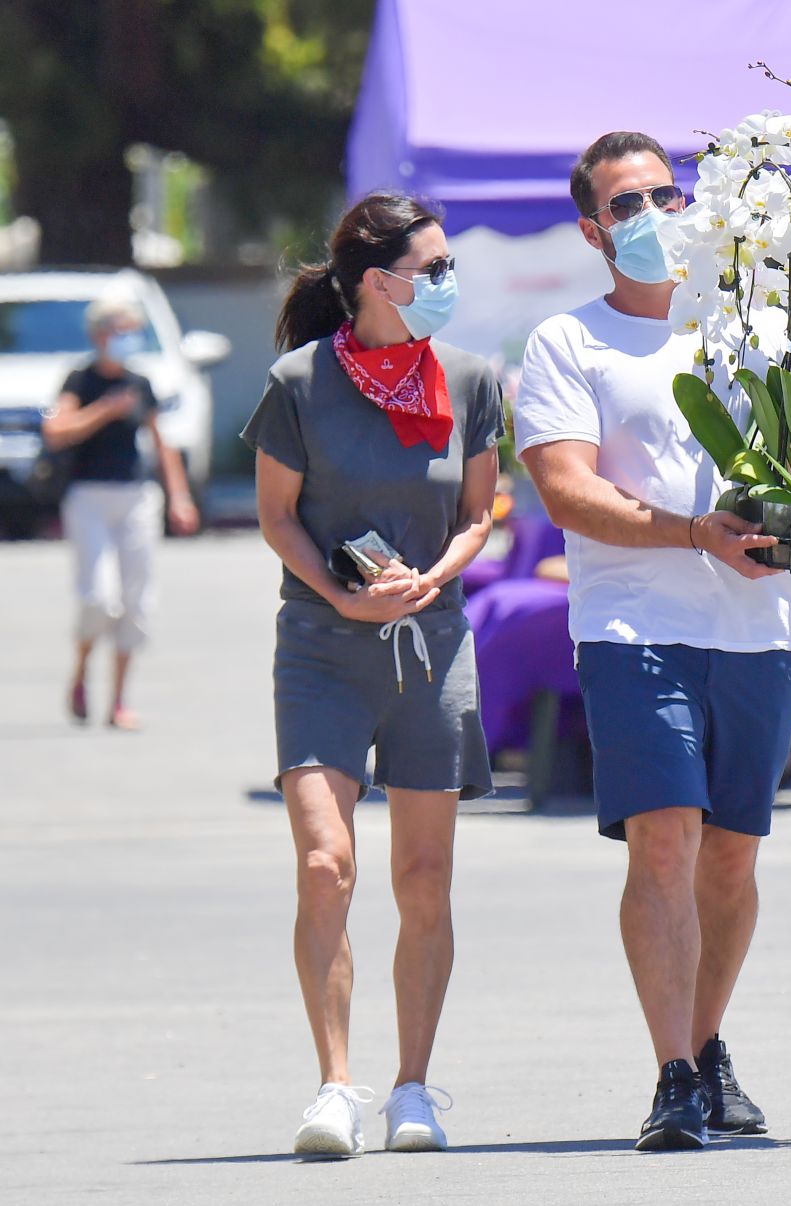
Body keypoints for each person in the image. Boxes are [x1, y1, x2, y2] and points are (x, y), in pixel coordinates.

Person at [514, 132, 791, 1151]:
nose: (652, 215)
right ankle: (675, 1075)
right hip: (636, 623)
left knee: (731, 856)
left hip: (763, 625)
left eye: (665, 193)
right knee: (666, 839)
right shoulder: (568, 342)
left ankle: (710, 1041)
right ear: (594, 228)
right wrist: (692, 536)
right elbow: (564, 485)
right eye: (627, 204)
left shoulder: (759, 325)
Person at [241, 192, 503, 1157]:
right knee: (325, 864)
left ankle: (415, 1089)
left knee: (424, 875)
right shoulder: (298, 383)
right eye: (431, 268)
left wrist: (436, 574)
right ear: (373, 282)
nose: (446, 283)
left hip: (433, 648)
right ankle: (335, 1087)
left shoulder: (469, 380)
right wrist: (341, 595)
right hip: (321, 645)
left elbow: (482, 512)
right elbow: (277, 518)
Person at [42, 295, 199, 729]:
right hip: (88, 496)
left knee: (135, 601)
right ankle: (80, 672)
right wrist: (103, 411)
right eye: (120, 329)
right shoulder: (80, 380)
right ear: (99, 335)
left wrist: (179, 496)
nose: (127, 338)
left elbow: (160, 441)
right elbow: (55, 429)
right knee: (98, 598)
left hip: (136, 496)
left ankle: (118, 701)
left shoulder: (139, 382)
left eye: (132, 329)